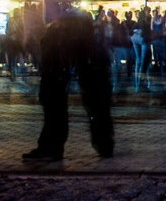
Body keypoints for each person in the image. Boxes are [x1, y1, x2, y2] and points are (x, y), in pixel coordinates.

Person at [22, 8, 113, 162]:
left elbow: (61, 59)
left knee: (59, 110)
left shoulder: (64, 34)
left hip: (59, 76)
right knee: (92, 109)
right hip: (66, 76)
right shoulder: (83, 37)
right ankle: (101, 144)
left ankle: (54, 147)